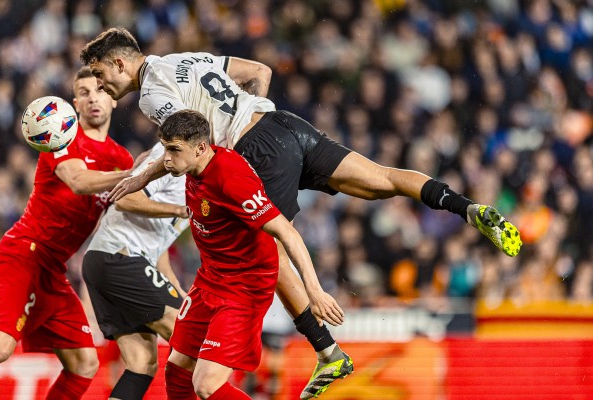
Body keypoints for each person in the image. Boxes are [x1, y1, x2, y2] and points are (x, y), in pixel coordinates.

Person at [79, 27, 522, 398]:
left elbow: (187, 138)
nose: (102, 87)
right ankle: (465, 206)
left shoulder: (151, 94)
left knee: (265, 247)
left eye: (100, 75)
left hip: (255, 152)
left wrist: (151, 173)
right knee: (381, 180)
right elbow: (260, 72)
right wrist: (255, 119)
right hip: (284, 124)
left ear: (120, 63)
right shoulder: (186, 58)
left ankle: (327, 351)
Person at [0, 66, 135, 400]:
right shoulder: (60, 135)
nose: (93, 98)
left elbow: (134, 201)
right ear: (74, 102)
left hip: (53, 269)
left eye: (101, 90)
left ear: (115, 98)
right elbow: (79, 180)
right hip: (24, 253)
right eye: (85, 92)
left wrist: (176, 203)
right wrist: (135, 174)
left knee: (84, 363)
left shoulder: (120, 158)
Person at [159, 109, 343, 400]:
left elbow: (287, 232)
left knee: (207, 385)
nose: (166, 158)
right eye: (164, 148)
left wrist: (314, 290)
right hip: (210, 278)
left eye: (173, 150)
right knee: (177, 368)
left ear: (201, 148)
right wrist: (138, 179)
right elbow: (171, 159)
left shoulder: (231, 179)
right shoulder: (193, 162)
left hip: (243, 287)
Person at [82, 143, 189, 400]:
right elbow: (126, 197)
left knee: (142, 363)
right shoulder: (169, 158)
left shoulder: (196, 175)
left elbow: (158, 251)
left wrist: (181, 295)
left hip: (109, 261)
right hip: (119, 258)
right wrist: (178, 210)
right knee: (191, 337)